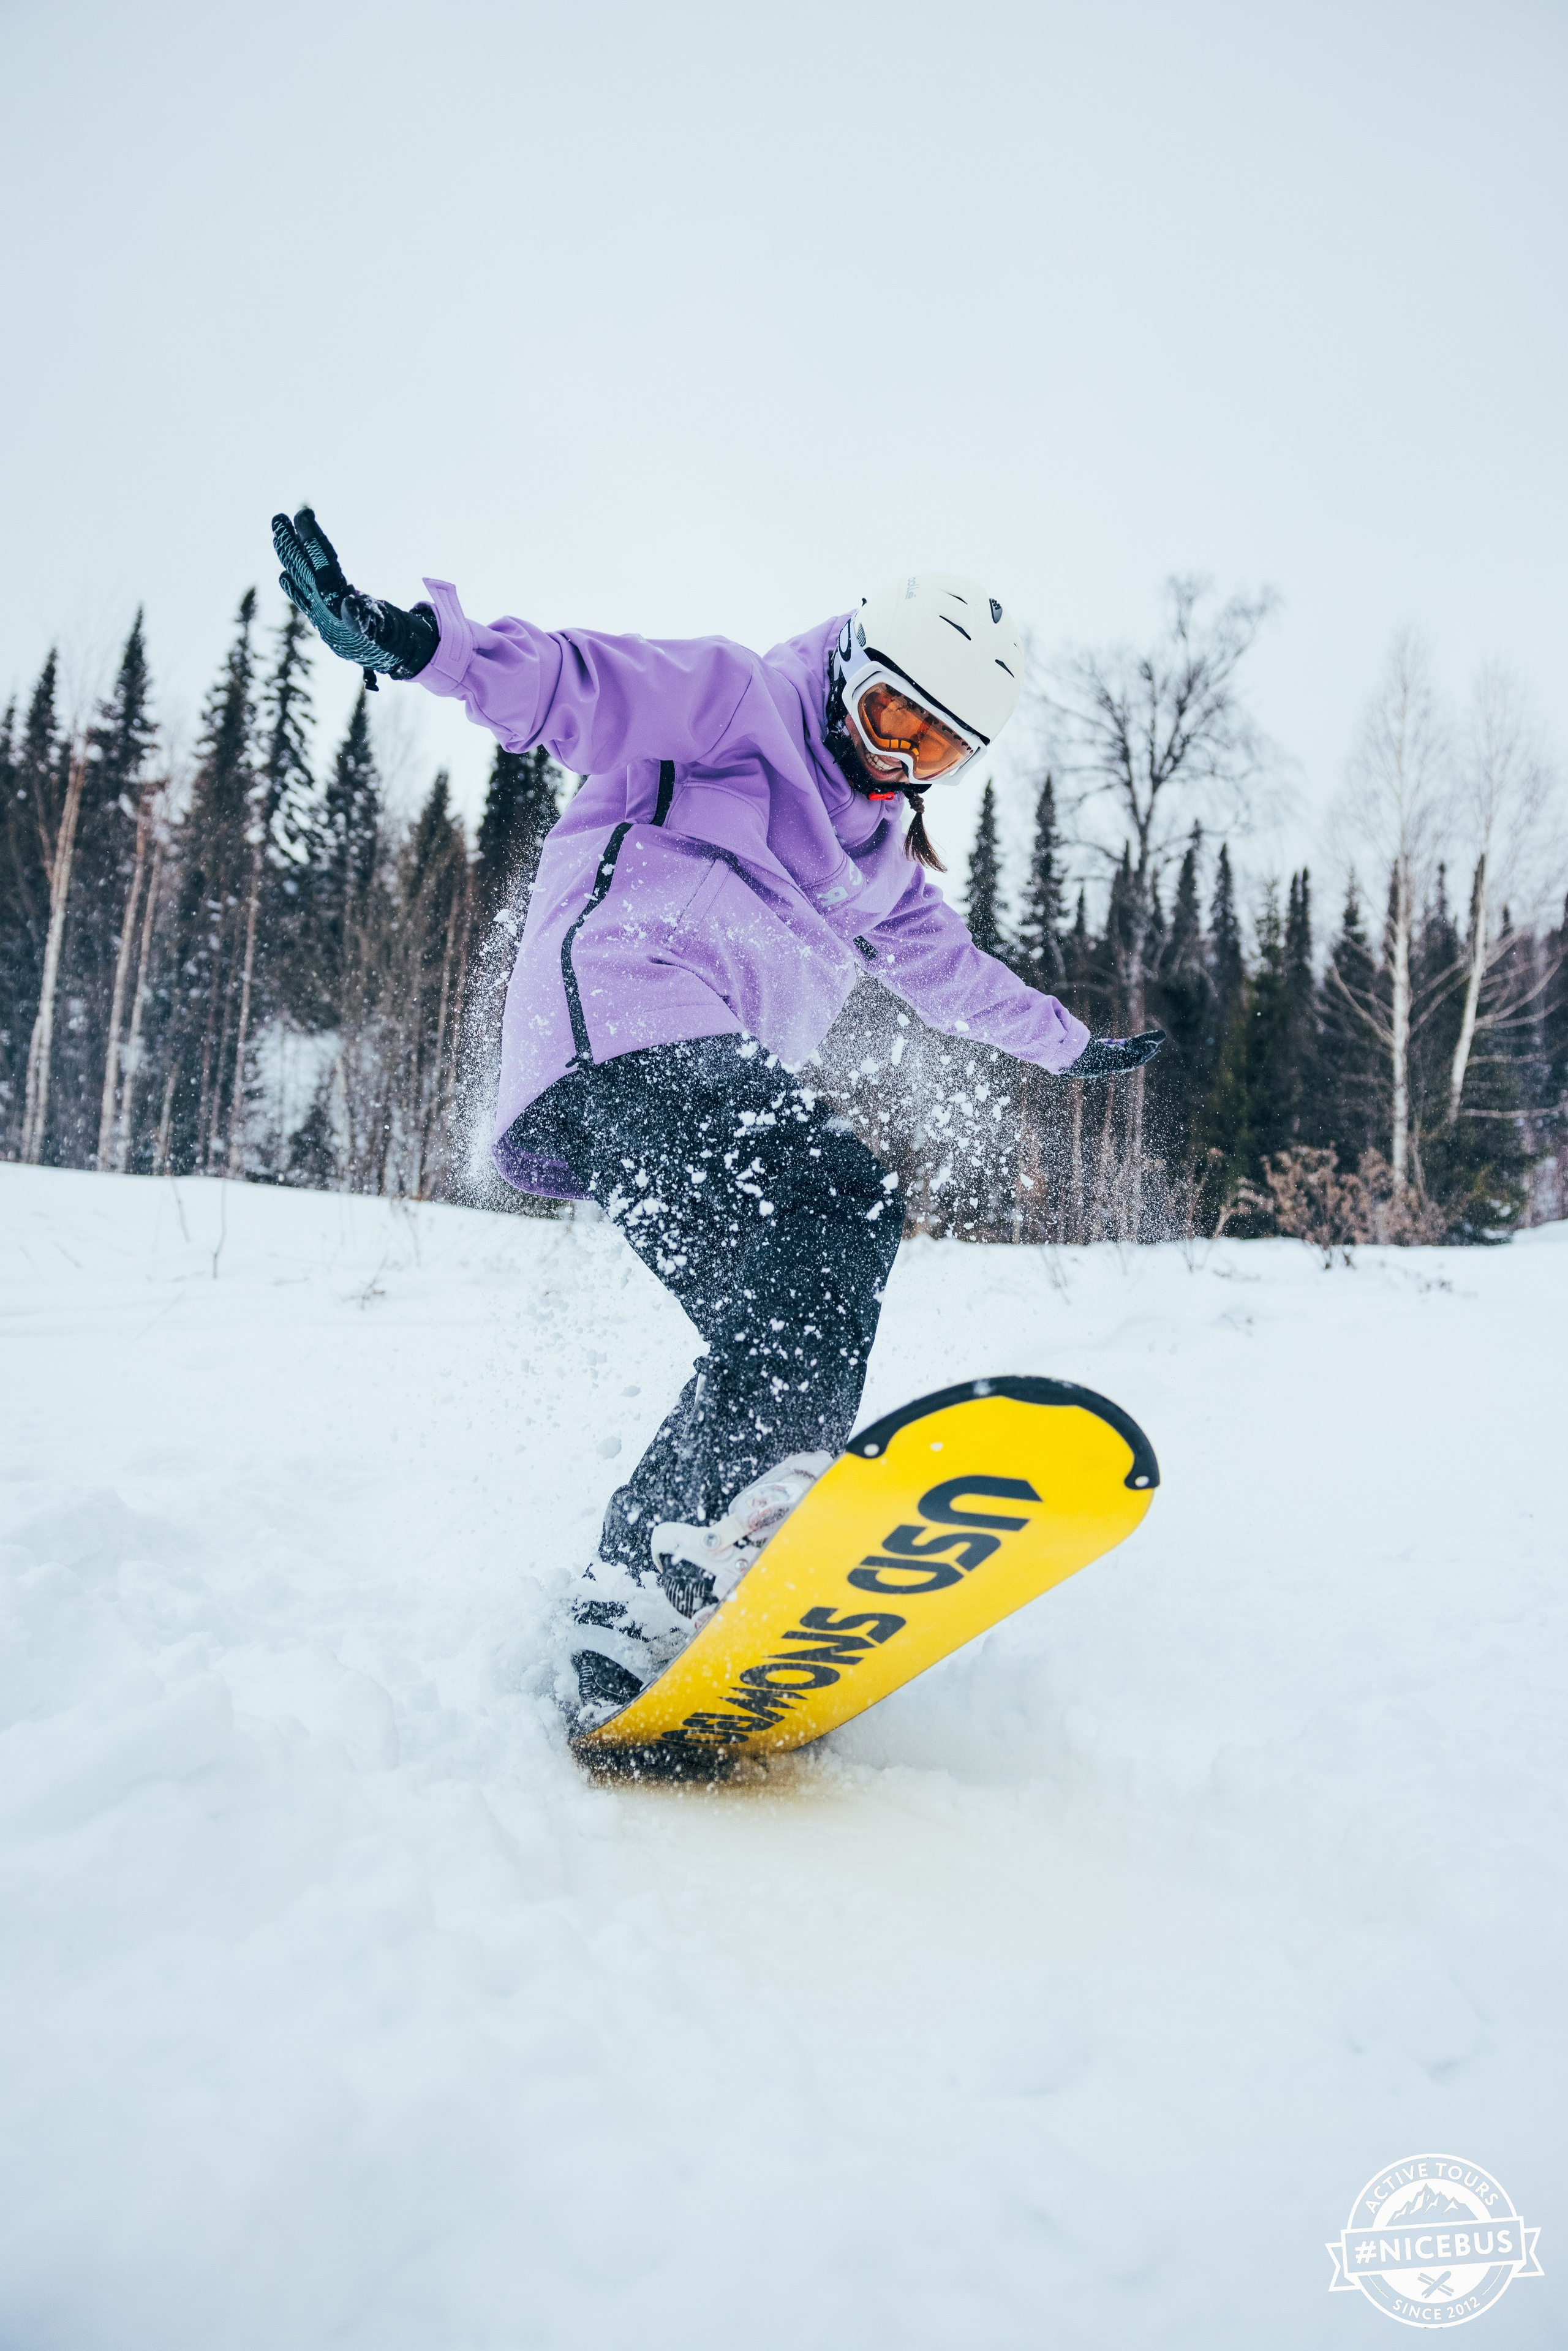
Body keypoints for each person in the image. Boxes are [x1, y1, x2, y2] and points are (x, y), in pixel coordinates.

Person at [270, 510, 1164, 1729]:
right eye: (890, 716)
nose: (897, 756)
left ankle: (635, 1596)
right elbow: (576, 685)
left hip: (689, 1075)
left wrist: (1069, 1045)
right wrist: (421, 644)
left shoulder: (877, 862)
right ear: (850, 667)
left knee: (774, 1323)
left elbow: (951, 973)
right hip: (623, 1018)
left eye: (934, 749)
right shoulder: (732, 702)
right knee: (838, 1196)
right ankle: (744, 1510)